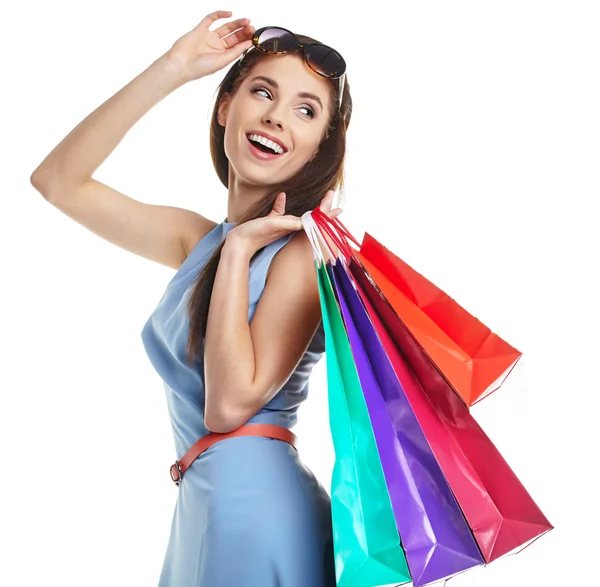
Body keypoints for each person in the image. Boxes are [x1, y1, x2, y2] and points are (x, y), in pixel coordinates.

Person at [30, 9, 352, 587]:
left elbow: (229, 407)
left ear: (318, 148)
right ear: (226, 106)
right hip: (204, 508)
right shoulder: (198, 240)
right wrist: (175, 68)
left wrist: (237, 256)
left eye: (306, 110)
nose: (278, 118)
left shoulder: (299, 256)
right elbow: (57, 181)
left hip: (258, 512)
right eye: (263, 93)